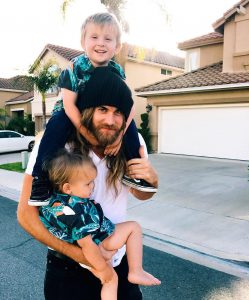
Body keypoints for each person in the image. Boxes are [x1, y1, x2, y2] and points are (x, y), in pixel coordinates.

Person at [18, 66, 159, 300]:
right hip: (68, 271)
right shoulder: (54, 147)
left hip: (118, 262)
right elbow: (26, 215)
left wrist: (152, 181)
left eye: (118, 112)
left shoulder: (133, 143)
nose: (110, 120)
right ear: (87, 110)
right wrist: (83, 255)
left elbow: (141, 194)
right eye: (102, 109)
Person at [29, 12, 157, 207]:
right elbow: (70, 106)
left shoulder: (117, 72)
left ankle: (134, 173)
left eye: (108, 39)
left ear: (117, 47)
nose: (101, 43)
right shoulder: (73, 68)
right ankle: (41, 180)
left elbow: (127, 104)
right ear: (83, 41)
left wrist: (120, 134)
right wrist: (86, 134)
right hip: (70, 114)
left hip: (95, 121)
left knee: (130, 127)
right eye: (94, 37)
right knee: (56, 125)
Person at [40, 149, 161, 300]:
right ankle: (133, 271)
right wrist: (103, 269)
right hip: (95, 248)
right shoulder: (71, 212)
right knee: (110, 279)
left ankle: (136, 271)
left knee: (133, 228)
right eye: (88, 183)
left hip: (100, 238)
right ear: (67, 188)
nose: (92, 187)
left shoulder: (59, 200)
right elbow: (86, 245)